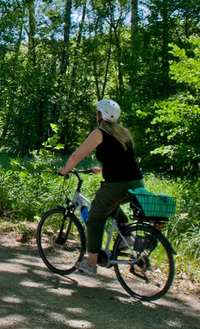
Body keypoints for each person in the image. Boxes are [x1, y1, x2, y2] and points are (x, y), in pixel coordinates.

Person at [57, 98, 145, 276]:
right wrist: (102, 170)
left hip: (117, 185)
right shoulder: (123, 132)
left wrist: (64, 170)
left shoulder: (99, 133)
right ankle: (127, 237)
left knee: (95, 219)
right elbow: (123, 160)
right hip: (136, 182)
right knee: (112, 205)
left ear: (100, 115)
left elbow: (76, 156)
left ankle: (91, 264)